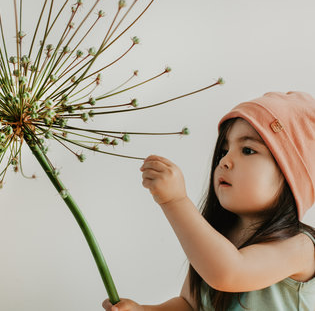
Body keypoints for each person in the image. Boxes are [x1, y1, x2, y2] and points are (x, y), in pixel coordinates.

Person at [103, 91, 315, 311]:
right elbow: (190, 305)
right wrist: (144, 310)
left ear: (293, 177)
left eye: (248, 150)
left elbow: (229, 273)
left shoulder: (300, 246)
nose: (225, 161)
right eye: (224, 150)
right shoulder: (218, 237)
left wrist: (175, 201)